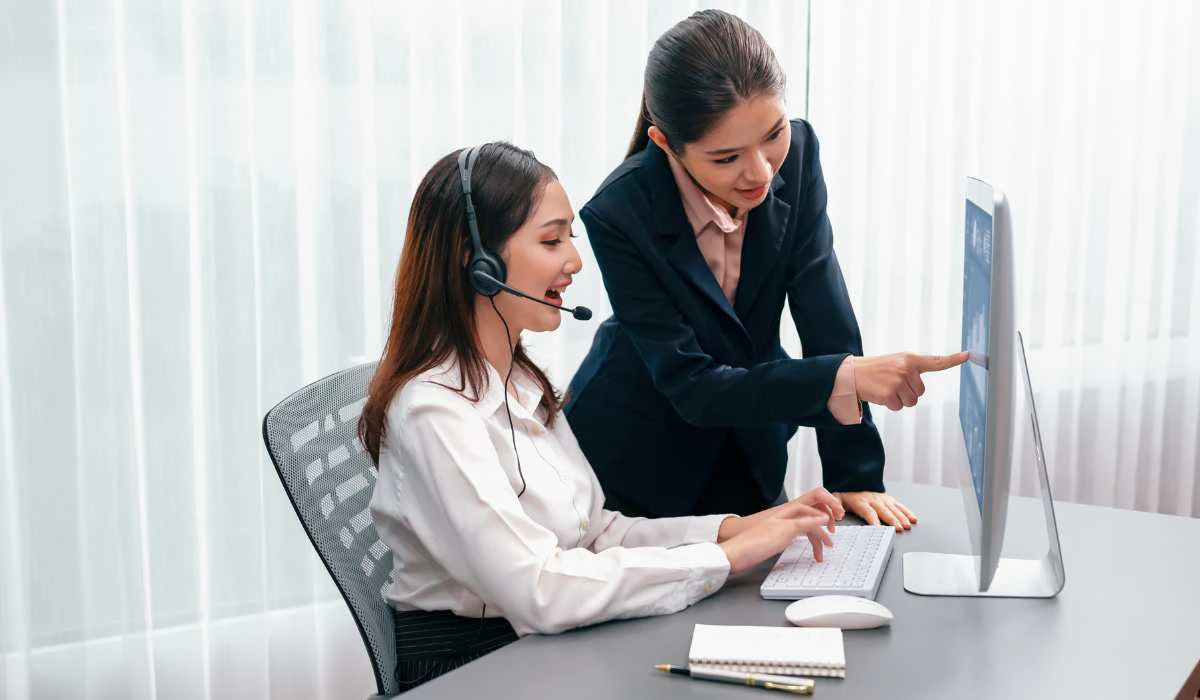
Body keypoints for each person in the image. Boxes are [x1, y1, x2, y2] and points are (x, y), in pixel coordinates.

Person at [362, 142, 845, 691]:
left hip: (542, 643)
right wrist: (725, 559)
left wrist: (739, 528)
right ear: (478, 262)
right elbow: (540, 589)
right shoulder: (434, 412)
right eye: (552, 240)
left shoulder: (520, 382)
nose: (574, 260)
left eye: (569, 237)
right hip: (475, 668)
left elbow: (599, 534)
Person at [565, 9, 967, 525]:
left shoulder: (797, 157)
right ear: (665, 143)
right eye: (726, 158)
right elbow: (692, 385)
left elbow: (825, 315)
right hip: (636, 461)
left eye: (773, 134)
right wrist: (845, 378)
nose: (760, 172)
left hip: (750, 446)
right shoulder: (619, 212)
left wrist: (854, 474)